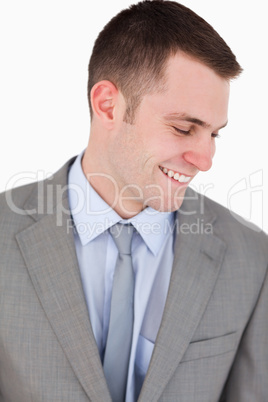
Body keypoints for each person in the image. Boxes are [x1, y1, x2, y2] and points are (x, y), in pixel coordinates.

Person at [0, 1, 267, 401]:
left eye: (213, 134)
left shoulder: (252, 256)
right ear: (108, 104)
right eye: (183, 128)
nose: (206, 160)